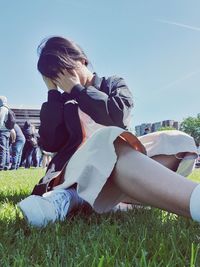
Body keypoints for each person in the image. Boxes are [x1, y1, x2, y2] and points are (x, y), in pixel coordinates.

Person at [18, 36, 198, 227]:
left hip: (124, 159)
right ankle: (107, 197)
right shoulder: (61, 101)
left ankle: (82, 198)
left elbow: (118, 118)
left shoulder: (112, 83)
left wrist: (79, 90)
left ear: (82, 60)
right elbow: (50, 143)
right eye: (56, 75)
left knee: (179, 142)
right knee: (108, 140)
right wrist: (53, 94)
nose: (64, 78)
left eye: (66, 69)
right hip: (78, 167)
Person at [0, 96, 12, 170]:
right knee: (6, 149)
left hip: (2, 131)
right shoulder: (7, 108)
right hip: (7, 131)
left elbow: (0, 120)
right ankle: (6, 166)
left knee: (2, 149)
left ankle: (1, 166)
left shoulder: (2, 109)